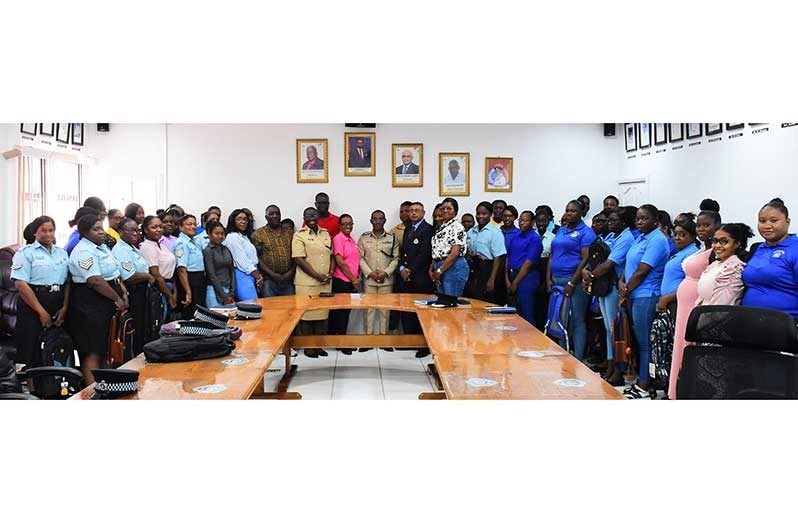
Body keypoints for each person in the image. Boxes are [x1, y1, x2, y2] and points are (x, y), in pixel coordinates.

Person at [67, 214, 128, 385]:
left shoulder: (101, 247)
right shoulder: (84, 251)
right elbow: (94, 280)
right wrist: (117, 298)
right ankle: (92, 391)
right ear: (85, 233)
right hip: (89, 304)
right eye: (96, 229)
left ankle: (105, 386)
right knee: (92, 350)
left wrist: (123, 292)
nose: (102, 232)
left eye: (102, 228)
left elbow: (114, 273)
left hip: (105, 300)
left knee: (104, 348)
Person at [667, 210, 721, 399]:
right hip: (684, 304)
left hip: (696, 304)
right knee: (680, 344)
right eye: (699, 225)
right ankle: (675, 390)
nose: (701, 229)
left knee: (690, 346)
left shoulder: (716, 251)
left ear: (717, 225)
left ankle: (688, 391)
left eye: (706, 225)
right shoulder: (701, 249)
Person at [619, 204, 670, 399]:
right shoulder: (641, 237)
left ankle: (644, 383)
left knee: (646, 343)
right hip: (633, 294)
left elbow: (642, 270)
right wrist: (621, 281)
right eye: (638, 218)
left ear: (655, 221)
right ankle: (641, 379)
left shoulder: (657, 240)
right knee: (639, 342)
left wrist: (625, 292)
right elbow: (629, 264)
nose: (640, 221)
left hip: (646, 296)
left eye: (644, 218)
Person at [581, 207, 635, 384]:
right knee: (608, 328)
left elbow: (609, 264)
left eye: (614, 221)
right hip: (603, 286)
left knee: (615, 330)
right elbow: (596, 258)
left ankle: (618, 370)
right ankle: (610, 366)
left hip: (613, 286)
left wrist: (590, 276)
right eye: (609, 221)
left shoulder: (626, 238)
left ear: (624, 223)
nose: (610, 224)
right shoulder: (612, 236)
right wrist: (587, 271)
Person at [10, 216, 70, 368]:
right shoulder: (25, 253)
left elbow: (68, 282)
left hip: (57, 301)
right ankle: (32, 389)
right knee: (30, 349)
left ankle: (55, 386)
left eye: (51, 230)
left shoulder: (62, 253)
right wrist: (41, 313)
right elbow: (21, 284)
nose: (48, 234)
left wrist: (65, 307)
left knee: (57, 346)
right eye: (43, 230)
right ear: (35, 232)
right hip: (33, 303)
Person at [547, 199, 596, 360]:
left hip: (573, 280)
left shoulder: (586, 233)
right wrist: (548, 279)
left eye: (573, 211)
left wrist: (572, 282)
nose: (569, 213)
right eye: (567, 210)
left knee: (577, 319)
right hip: (556, 279)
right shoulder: (561, 230)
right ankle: (564, 352)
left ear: (581, 213)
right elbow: (552, 255)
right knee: (560, 318)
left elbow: (585, 259)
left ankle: (579, 357)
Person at [742, 198, 798, 319]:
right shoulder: (757, 248)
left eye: (774, 220)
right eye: (762, 221)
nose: (767, 226)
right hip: (749, 321)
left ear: (787, 222)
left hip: (783, 325)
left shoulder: (795, 248)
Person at [293, 207, 336, 358]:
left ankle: (319, 346)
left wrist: (330, 273)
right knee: (307, 316)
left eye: (314, 214)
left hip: (325, 282)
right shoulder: (299, 235)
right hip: (307, 283)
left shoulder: (326, 234)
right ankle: (308, 347)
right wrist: (318, 276)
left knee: (322, 316)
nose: (311, 217)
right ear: (304, 218)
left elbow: (331, 256)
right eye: (308, 215)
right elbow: (299, 259)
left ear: (318, 216)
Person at [112, 217, 156, 357]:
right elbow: (129, 276)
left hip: (143, 292)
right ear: (120, 232)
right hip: (134, 292)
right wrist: (148, 276)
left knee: (145, 329)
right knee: (136, 329)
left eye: (137, 230)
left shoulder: (132, 248)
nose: (136, 234)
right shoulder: (120, 250)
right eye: (131, 231)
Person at [358, 210, 400, 348]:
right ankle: (368, 340)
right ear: (371, 221)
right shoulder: (364, 238)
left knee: (385, 310)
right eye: (375, 219)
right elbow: (360, 258)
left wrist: (385, 273)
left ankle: (384, 340)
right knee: (368, 310)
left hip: (386, 280)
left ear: (385, 220)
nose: (377, 221)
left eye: (380, 219)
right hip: (369, 280)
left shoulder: (392, 237)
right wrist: (370, 273)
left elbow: (395, 259)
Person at [398, 202, 434, 357]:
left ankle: (423, 345)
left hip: (421, 277)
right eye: (411, 210)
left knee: (422, 312)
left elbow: (424, 254)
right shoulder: (408, 229)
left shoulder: (428, 229)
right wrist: (402, 268)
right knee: (408, 309)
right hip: (407, 277)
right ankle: (409, 341)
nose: (413, 213)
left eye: (416, 211)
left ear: (423, 213)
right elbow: (403, 252)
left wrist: (410, 269)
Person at [696, 223, 751, 307]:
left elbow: (719, 308)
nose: (717, 245)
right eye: (715, 241)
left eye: (724, 241)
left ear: (736, 244)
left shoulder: (733, 269)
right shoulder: (715, 264)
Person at [328, 214, 361, 354]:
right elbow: (340, 262)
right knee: (340, 313)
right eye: (345, 224)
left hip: (351, 281)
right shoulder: (338, 239)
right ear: (340, 226)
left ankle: (340, 340)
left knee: (346, 312)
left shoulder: (351, 240)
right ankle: (341, 343)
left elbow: (354, 261)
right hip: (342, 281)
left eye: (350, 223)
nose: (348, 226)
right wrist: (353, 279)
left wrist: (356, 278)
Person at [505, 210, 543, 324]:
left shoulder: (535, 238)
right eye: (521, 220)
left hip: (527, 277)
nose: (522, 223)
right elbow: (508, 256)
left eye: (526, 220)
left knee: (526, 312)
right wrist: (507, 279)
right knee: (513, 313)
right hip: (512, 275)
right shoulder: (517, 235)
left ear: (532, 222)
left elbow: (528, 263)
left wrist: (515, 283)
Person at [139, 215, 178, 324]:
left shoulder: (161, 245)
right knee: (160, 321)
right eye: (154, 227)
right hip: (159, 289)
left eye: (160, 227)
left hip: (169, 285)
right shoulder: (147, 247)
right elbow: (156, 275)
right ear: (146, 230)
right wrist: (170, 296)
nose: (159, 230)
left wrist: (174, 291)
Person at [465, 201, 507, 304]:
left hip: (489, 268)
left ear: (490, 215)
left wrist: (492, 279)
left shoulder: (495, 232)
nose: (480, 216)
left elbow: (499, 257)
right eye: (478, 213)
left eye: (484, 214)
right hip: (475, 267)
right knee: (473, 299)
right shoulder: (471, 231)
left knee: (487, 300)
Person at [656, 219, 700, 316]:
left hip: (678, 302)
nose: (677, 238)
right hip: (670, 302)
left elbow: (691, 285)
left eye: (682, 235)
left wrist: (667, 298)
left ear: (693, 236)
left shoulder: (691, 254)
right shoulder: (682, 252)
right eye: (675, 234)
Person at [251, 205, 296, 297]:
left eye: (277, 214)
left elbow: (296, 254)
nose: (275, 216)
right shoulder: (258, 234)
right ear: (266, 217)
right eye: (271, 214)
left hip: (288, 279)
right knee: (271, 309)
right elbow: (256, 257)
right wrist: (272, 274)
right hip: (269, 280)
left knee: (290, 309)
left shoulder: (289, 233)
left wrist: (291, 272)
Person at [430, 198, 469, 297]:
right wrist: (434, 267)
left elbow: (455, 253)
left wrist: (440, 270)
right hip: (441, 266)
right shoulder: (442, 227)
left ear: (455, 212)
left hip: (453, 266)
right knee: (443, 302)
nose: (445, 211)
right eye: (443, 208)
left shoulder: (457, 227)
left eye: (449, 208)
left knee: (450, 302)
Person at [224, 209, 262, 301]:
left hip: (251, 273)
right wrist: (258, 276)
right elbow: (241, 260)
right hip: (243, 274)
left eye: (245, 219)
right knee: (251, 305)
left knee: (254, 305)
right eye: (239, 219)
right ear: (233, 221)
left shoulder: (244, 237)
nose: (243, 222)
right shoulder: (232, 237)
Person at [172, 214, 206, 318]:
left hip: (199, 279)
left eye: (195, 224)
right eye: (189, 224)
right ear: (181, 227)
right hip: (189, 280)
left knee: (199, 313)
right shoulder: (181, 243)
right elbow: (181, 269)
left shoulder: (194, 242)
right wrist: (188, 291)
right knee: (191, 315)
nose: (193, 227)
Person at [203, 221, 237, 308]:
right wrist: (224, 295)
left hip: (228, 289)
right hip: (214, 290)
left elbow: (232, 270)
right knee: (216, 318)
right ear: (209, 234)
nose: (220, 236)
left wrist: (232, 291)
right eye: (216, 233)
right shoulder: (208, 251)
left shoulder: (226, 249)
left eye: (222, 233)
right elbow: (212, 275)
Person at [533, 207, 557, 329]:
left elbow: (552, 256)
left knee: (545, 300)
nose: (541, 224)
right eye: (538, 221)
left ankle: (545, 327)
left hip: (546, 269)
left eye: (544, 221)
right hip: (533, 268)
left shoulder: (553, 237)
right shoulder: (532, 235)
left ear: (548, 221)